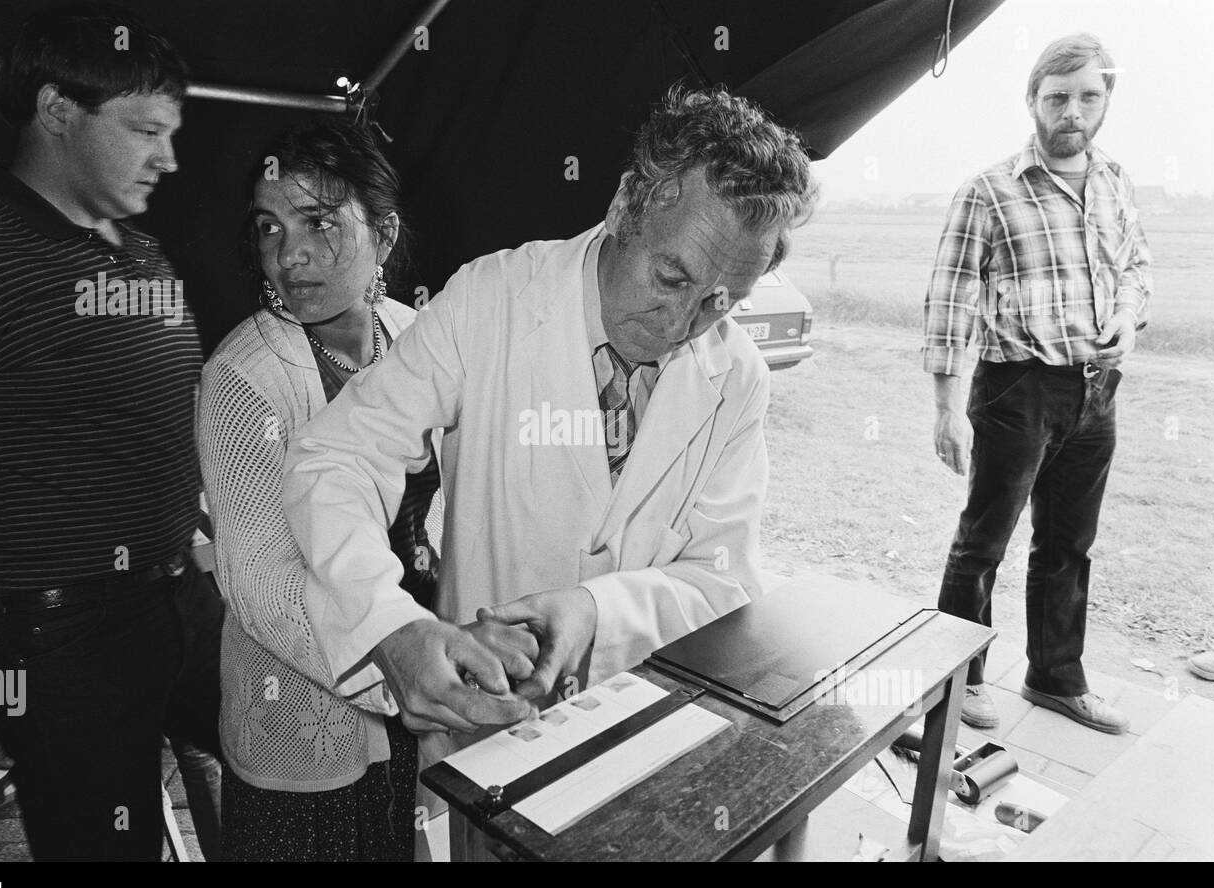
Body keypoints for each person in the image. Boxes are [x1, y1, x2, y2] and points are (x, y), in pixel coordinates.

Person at [281, 86, 817, 737]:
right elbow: (337, 457)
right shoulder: (493, 301)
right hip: (484, 719)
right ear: (626, 206)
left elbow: (723, 578)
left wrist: (596, 611)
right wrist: (387, 627)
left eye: (721, 301)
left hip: (644, 718)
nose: (680, 324)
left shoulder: (737, 377)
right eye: (671, 278)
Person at [0, 3, 223, 860]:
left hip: (184, 598)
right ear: (57, 110)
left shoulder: (145, 255)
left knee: (288, 758)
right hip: (61, 646)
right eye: (145, 130)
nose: (169, 157)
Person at [199, 120, 529, 861]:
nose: (290, 254)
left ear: (384, 233)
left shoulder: (417, 339)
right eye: (269, 228)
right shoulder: (242, 378)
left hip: (414, 696)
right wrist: (396, 659)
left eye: (319, 222)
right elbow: (259, 583)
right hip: (301, 721)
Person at [923, 34, 1151, 735]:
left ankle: (1055, 676)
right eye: (1057, 97)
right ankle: (956, 681)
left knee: (1068, 544)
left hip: (1095, 390)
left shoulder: (1114, 179)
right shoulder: (990, 190)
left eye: (1088, 96)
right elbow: (950, 300)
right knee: (983, 541)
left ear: (1106, 100)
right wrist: (945, 408)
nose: (1072, 112)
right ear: (1032, 102)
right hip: (1013, 390)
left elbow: (1137, 267)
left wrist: (1127, 317)